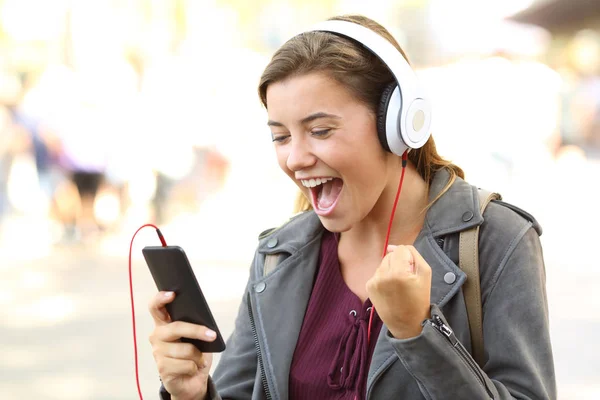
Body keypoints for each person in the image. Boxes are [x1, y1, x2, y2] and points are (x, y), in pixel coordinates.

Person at [148, 15, 556, 400]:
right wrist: (195, 393)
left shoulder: (497, 239)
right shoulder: (277, 257)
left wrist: (418, 332)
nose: (295, 158)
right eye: (281, 137)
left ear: (395, 124)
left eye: (320, 131)